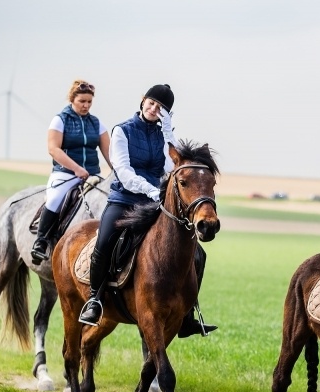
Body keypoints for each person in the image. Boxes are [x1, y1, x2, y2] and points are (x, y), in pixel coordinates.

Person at [78, 84, 216, 338]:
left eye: (161, 108)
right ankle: (95, 300)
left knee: (198, 253)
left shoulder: (163, 135)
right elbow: (124, 171)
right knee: (105, 242)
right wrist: (153, 191)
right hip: (124, 199)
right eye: (152, 103)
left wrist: (167, 132)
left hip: (153, 203)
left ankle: (186, 314)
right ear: (143, 101)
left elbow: (174, 165)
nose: (154, 109)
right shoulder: (122, 131)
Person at [31, 80, 112, 264]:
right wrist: (76, 169)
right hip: (65, 174)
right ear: (72, 99)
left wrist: (120, 172)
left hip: (92, 175)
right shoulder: (60, 120)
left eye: (89, 102)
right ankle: (41, 242)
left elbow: (109, 153)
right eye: (82, 101)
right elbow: (53, 149)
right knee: (54, 198)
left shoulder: (96, 123)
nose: (86, 105)